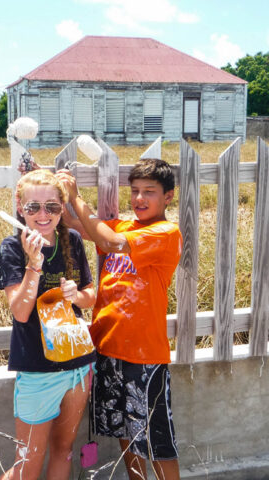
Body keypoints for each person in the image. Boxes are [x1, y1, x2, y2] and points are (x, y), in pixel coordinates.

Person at [57, 159, 183, 480]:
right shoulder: (124, 226)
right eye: (135, 191)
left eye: (149, 192)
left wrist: (77, 197)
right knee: (127, 435)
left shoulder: (165, 232)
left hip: (144, 356)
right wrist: (57, 192)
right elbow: (77, 225)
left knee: (156, 441)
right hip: (108, 349)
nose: (139, 198)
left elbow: (109, 242)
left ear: (168, 197)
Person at [0, 169, 96, 480]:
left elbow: (91, 295)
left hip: (78, 368)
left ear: (61, 208)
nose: (42, 214)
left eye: (51, 206)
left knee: (64, 451)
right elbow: (21, 312)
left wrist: (75, 296)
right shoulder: (11, 248)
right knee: (27, 465)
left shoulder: (73, 240)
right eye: (33, 207)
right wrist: (34, 264)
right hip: (37, 371)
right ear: (19, 206)